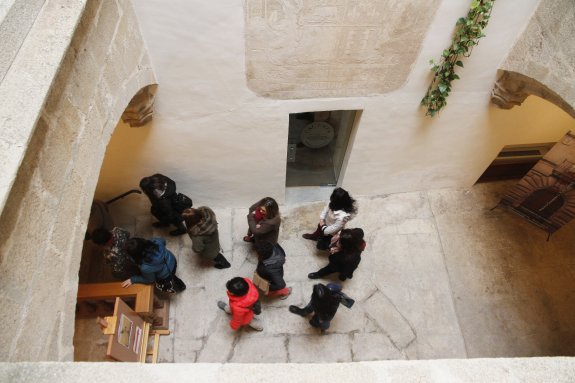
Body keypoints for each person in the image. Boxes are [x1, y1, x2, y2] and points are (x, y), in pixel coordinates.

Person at [121, 237, 186, 293]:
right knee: (173, 275)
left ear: (135, 256)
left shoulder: (145, 268)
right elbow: (163, 241)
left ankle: (179, 286)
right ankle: (181, 285)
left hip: (166, 275)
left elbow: (150, 280)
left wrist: (133, 279)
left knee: (171, 278)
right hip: (173, 260)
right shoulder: (156, 241)